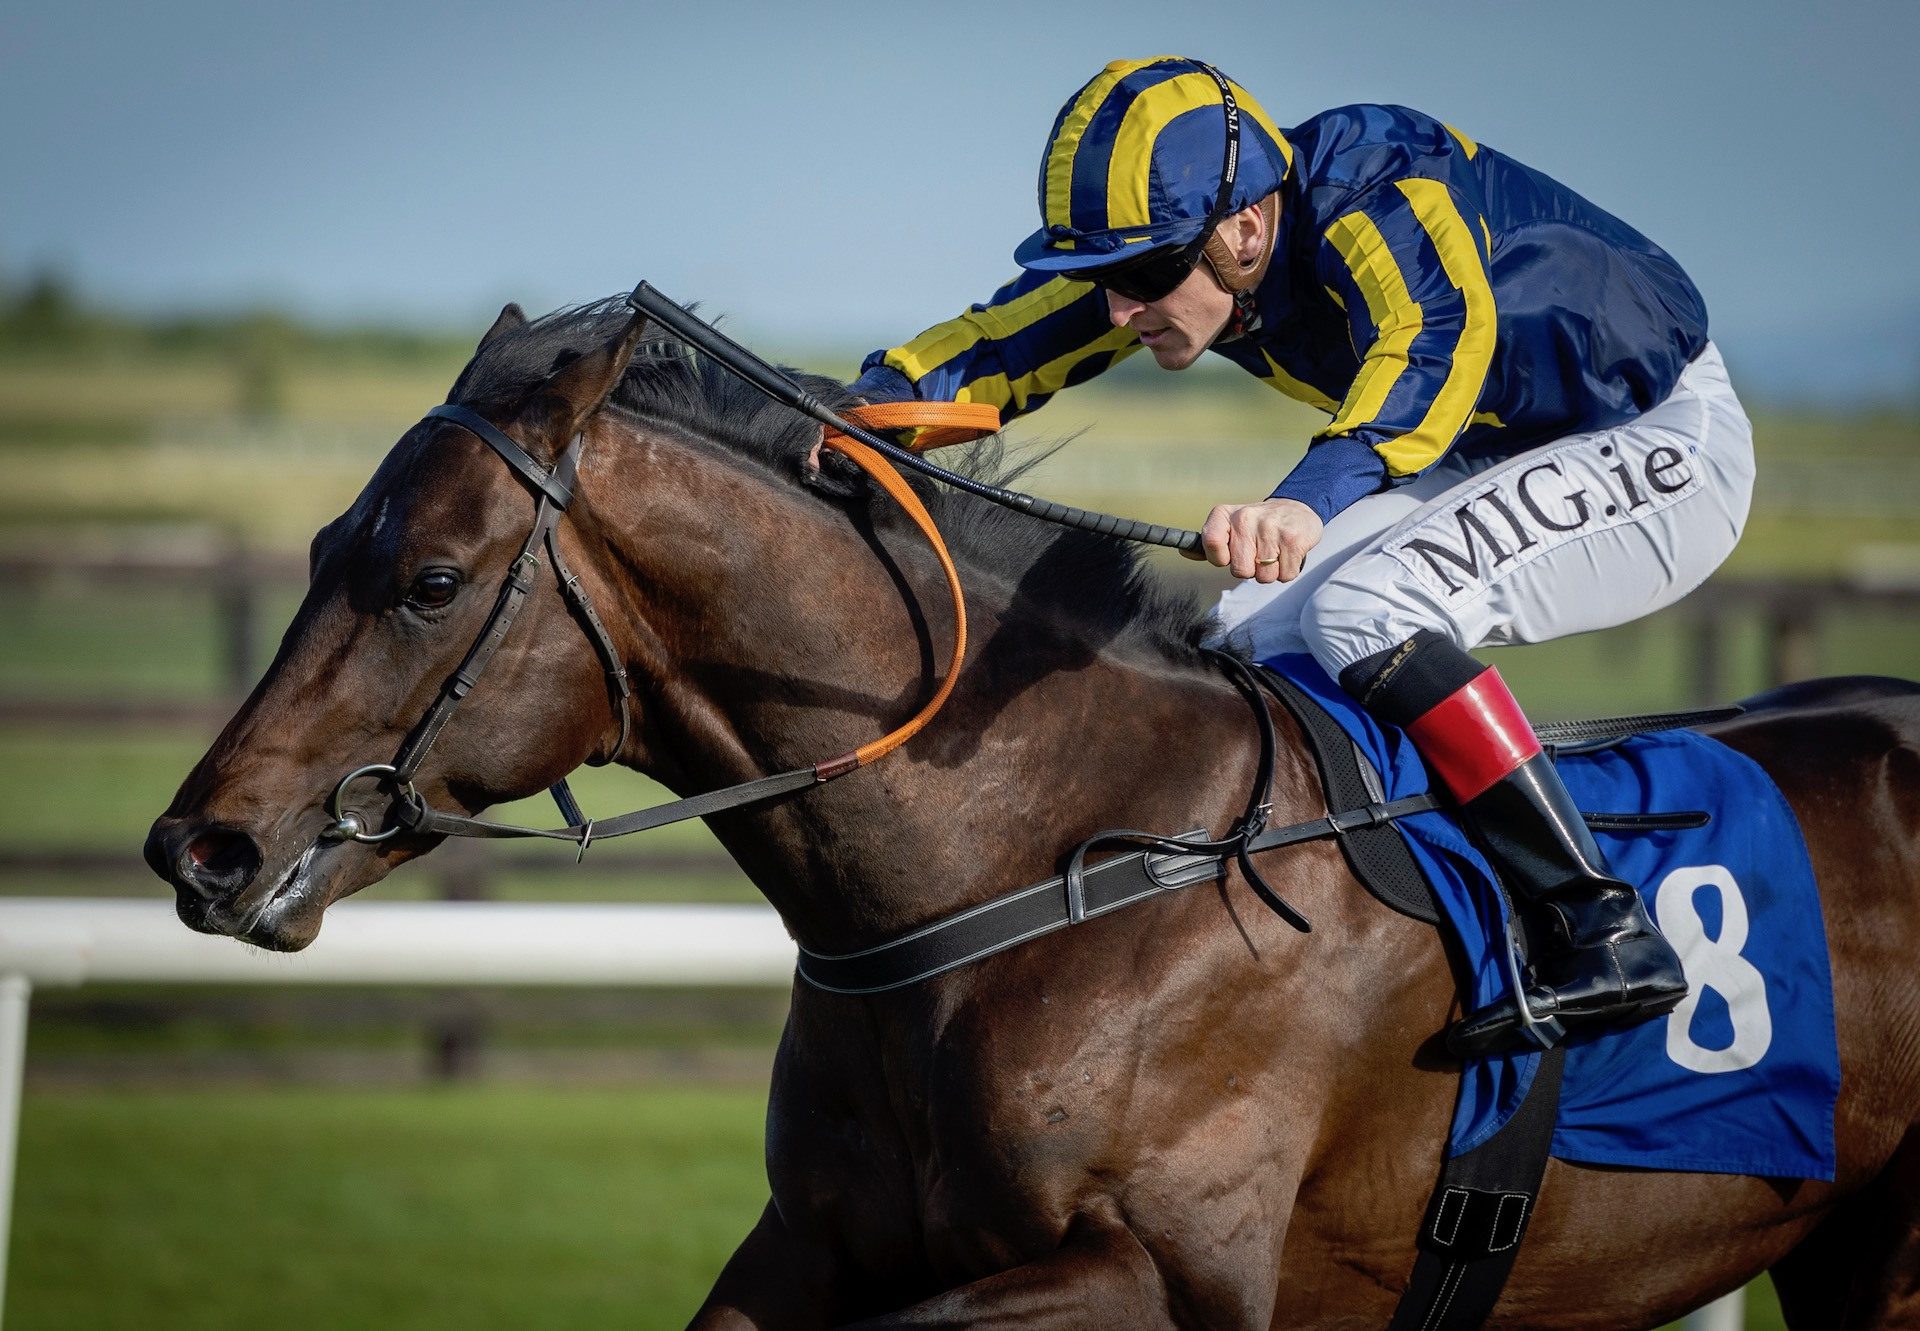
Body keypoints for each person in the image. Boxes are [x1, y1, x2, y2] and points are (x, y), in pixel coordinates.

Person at [846, 56, 1753, 1056]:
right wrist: (867, 406)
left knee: (1365, 606)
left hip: (1661, 435)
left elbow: (1435, 338)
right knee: (1244, 634)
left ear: (1244, 225)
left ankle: (1602, 925)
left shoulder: (1377, 182)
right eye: (1103, 276)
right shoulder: (1194, 255)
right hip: (1498, 450)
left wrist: (1302, 502)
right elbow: (1006, 343)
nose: (1117, 308)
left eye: (1144, 275)